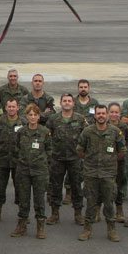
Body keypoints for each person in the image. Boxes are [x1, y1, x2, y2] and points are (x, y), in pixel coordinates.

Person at [76, 105, 126, 242]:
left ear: (108, 115)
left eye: (103, 113)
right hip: (91, 172)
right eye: (99, 114)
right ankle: (87, 229)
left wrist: (110, 161)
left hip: (108, 173)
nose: (101, 116)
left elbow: (122, 151)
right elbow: (80, 150)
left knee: (109, 202)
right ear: (95, 115)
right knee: (91, 202)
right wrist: (90, 159)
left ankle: (112, 230)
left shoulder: (115, 132)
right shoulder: (87, 131)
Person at [10, 104, 51, 239]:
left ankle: (40, 227)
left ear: (39, 116)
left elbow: (49, 150)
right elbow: (16, 149)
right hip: (23, 171)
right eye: (30, 115)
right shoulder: (21, 132)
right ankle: (22, 226)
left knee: (39, 200)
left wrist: (43, 164)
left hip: (39, 171)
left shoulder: (44, 132)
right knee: (23, 199)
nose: (32, 117)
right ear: (26, 117)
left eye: (35, 115)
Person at [45, 94, 86, 226]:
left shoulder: (80, 119)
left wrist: (83, 153)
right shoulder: (54, 119)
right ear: (60, 103)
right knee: (55, 186)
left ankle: (78, 214)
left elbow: (86, 137)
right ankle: (54, 213)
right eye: (64, 101)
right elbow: (47, 136)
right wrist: (51, 152)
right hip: (58, 158)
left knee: (76, 186)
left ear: (73, 103)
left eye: (69, 101)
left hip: (75, 158)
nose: (67, 103)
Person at [0, 99, 25, 223]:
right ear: (6, 108)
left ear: (18, 108)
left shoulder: (23, 122)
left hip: (18, 160)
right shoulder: (0, 122)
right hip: (3, 160)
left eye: (13, 106)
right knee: (1, 187)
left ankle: (23, 213)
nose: (11, 109)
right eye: (9, 106)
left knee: (20, 188)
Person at [108, 102, 128, 223]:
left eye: (116, 112)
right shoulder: (103, 125)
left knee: (119, 183)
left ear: (120, 113)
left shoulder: (124, 128)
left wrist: (120, 155)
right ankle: (97, 210)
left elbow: (127, 142)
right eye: (111, 112)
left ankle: (119, 209)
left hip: (119, 160)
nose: (114, 114)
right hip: (105, 161)